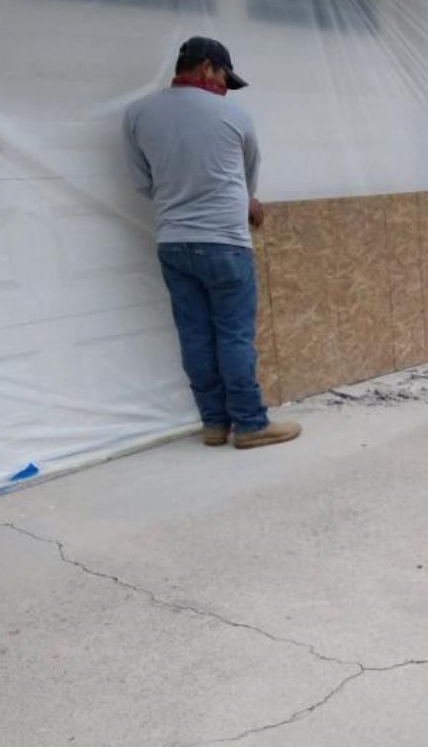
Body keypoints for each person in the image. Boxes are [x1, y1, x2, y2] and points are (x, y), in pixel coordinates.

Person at [123, 36, 300, 449]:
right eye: (224, 76)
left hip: (173, 242)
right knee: (234, 335)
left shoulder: (136, 114)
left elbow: (142, 183)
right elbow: (246, 181)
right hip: (225, 242)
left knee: (195, 335)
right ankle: (251, 424)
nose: (225, 86)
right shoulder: (235, 116)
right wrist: (241, 203)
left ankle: (214, 425)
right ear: (206, 67)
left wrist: (180, 196)